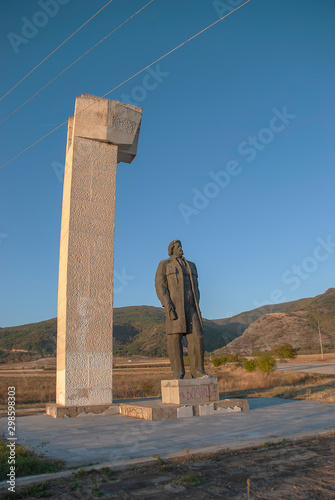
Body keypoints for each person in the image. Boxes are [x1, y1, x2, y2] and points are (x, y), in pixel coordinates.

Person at [155, 240, 208, 379]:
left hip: (191, 306)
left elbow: (196, 288)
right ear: (171, 249)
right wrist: (167, 304)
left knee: (197, 337)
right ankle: (178, 373)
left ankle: (198, 371)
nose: (180, 248)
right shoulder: (165, 264)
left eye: (181, 246)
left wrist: (197, 304)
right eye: (177, 246)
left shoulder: (191, 265)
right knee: (175, 338)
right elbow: (160, 286)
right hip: (175, 306)